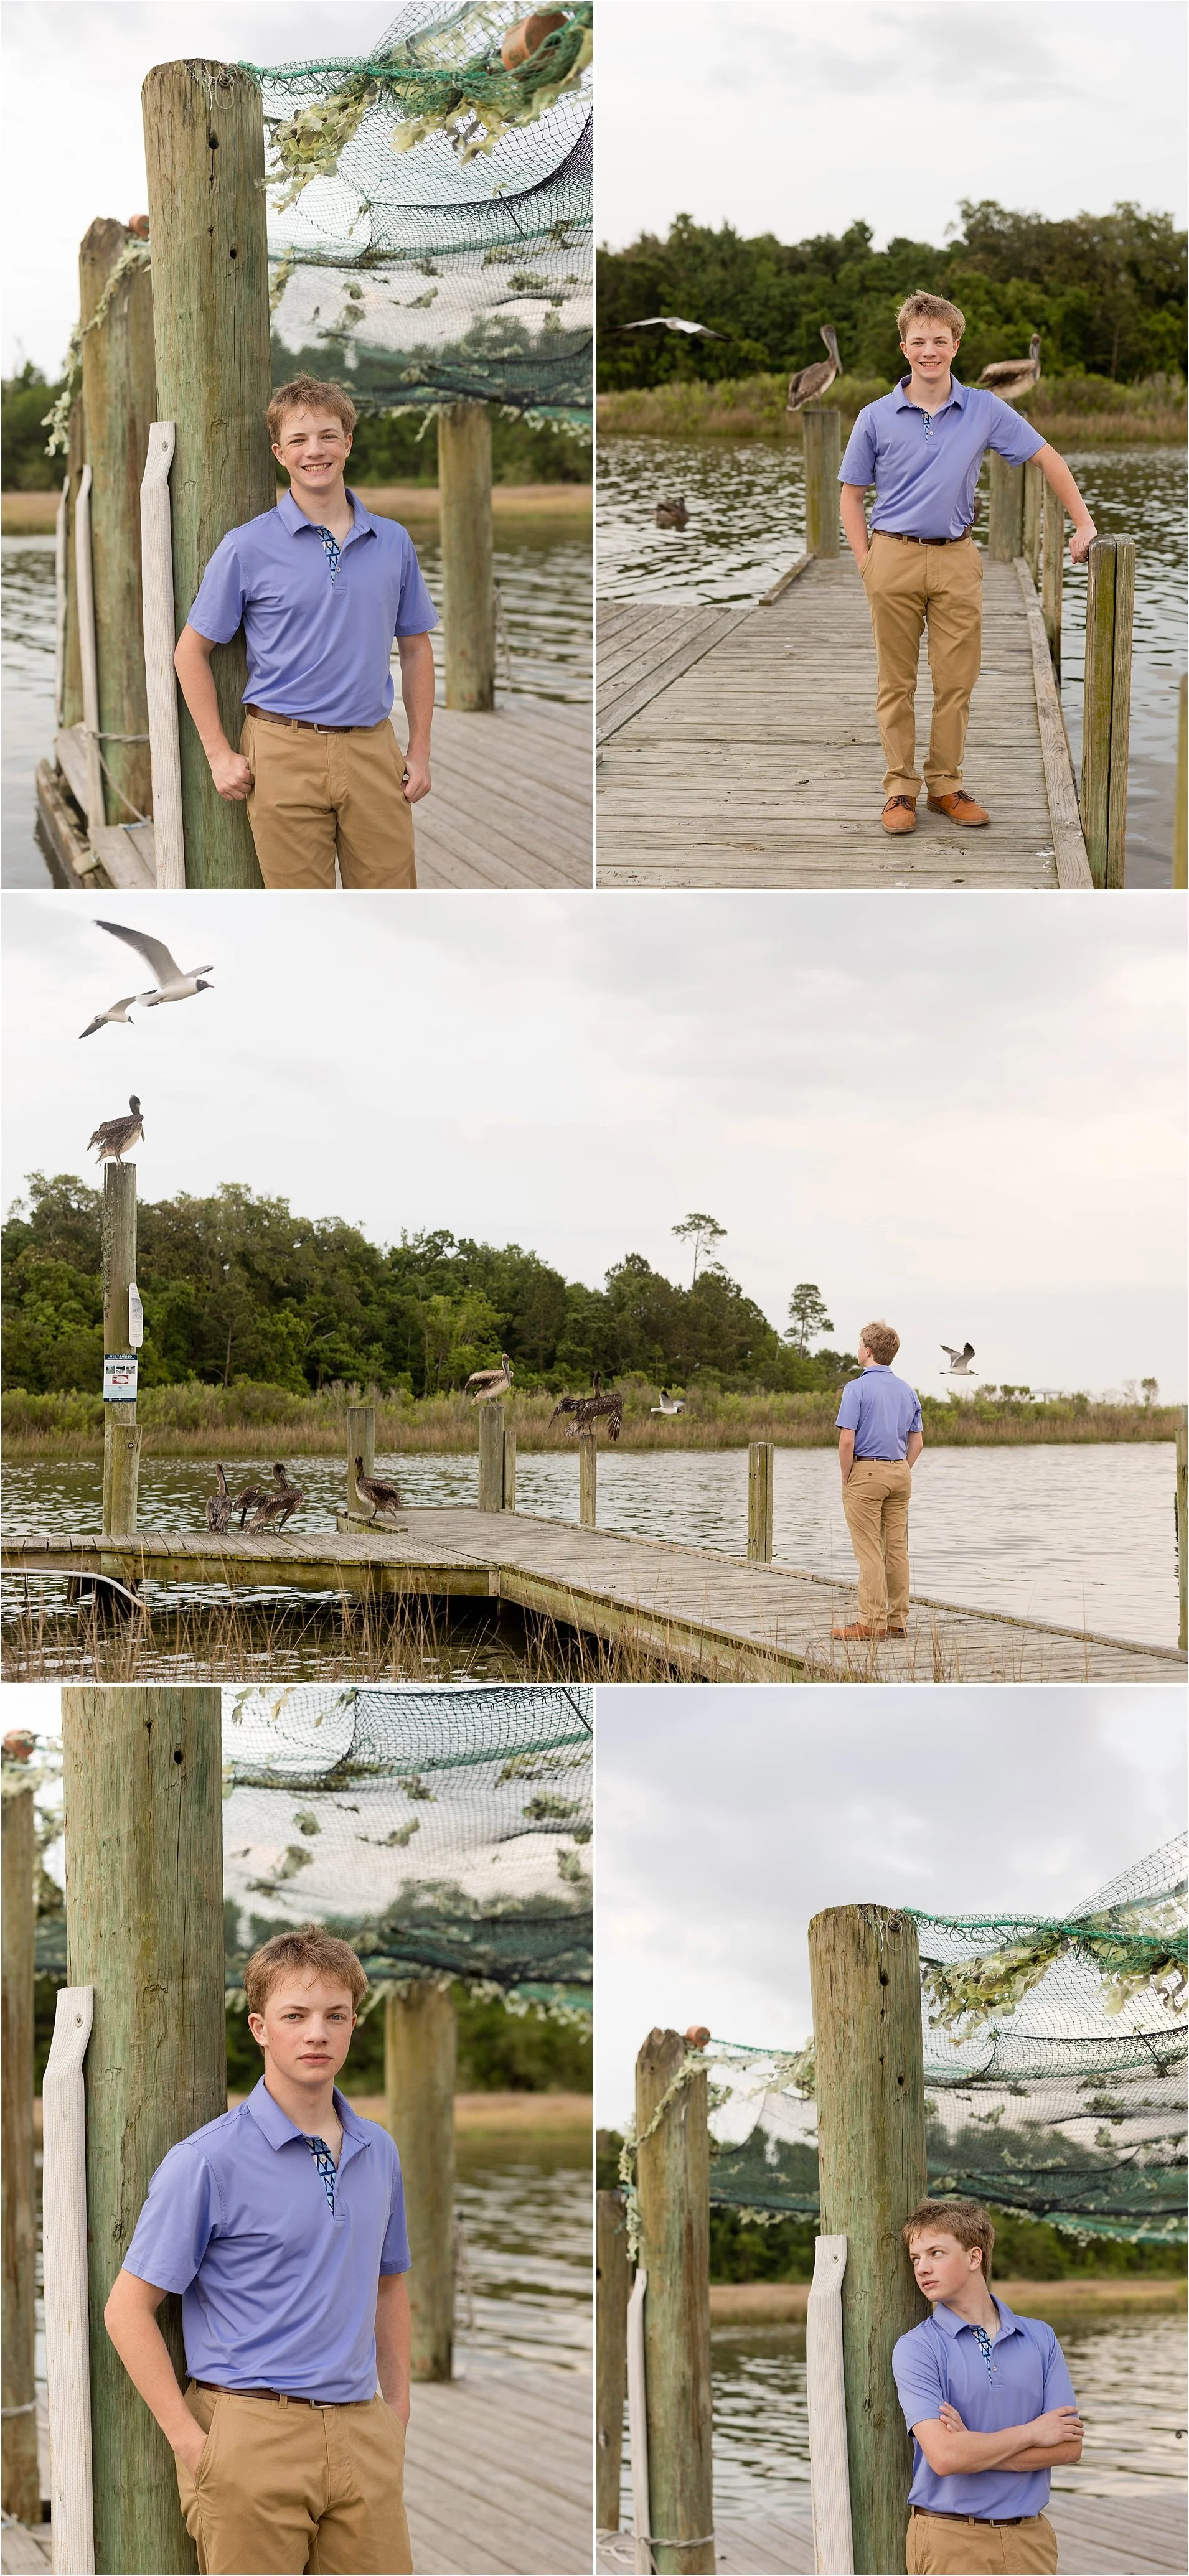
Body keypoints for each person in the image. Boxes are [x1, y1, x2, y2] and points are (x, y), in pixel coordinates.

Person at [104, 1928, 413, 2576]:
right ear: (259, 2026)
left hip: (362, 2430)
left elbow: (389, 2284)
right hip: (249, 2432)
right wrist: (194, 2444)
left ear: (354, 2022)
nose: (316, 2033)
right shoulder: (207, 2160)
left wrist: (397, 2409)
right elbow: (127, 2309)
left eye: (334, 2015)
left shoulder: (378, 2150)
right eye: (294, 2016)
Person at [838, 294, 1098, 835]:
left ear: (955, 346)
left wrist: (1084, 523)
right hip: (892, 556)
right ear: (904, 347)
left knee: (956, 681)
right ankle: (899, 791)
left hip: (957, 559)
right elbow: (851, 495)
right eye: (919, 341)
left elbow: (1047, 457)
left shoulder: (984, 408)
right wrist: (867, 562)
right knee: (896, 683)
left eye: (940, 341)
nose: (929, 351)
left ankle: (946, 786)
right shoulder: (875, 417)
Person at [174, 376, 437, 890]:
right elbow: (190, 653)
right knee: (302, 920)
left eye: (328, 436)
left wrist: (421, 750)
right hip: (279, 753)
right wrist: (218, 753)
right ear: (279, 453)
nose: (315, 451)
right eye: (298, 440)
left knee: (394, 913)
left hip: (372, 751)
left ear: (348, 443)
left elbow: (415, 649)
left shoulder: (393, 541)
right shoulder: (244, 547)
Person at [894, 2199, 1083, 2575]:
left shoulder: (1041, 2337)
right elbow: (946, 2458)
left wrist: (974, 2449)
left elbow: (1068, 2446)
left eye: (936, 2253)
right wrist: (1032, 2433)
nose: (923, 2268)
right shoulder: (916, 2347)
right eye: (916, 2258)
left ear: (974, 2257)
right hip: (949, 2539)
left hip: (1031, 2539)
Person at [832, 1319, 923, 1639]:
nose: (858, 1350)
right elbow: (917, 1443)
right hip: (900, 1472)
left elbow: (847, 1441)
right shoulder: (907, 1390)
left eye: (860, 1345)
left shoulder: (856, 1389)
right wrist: (902, 1469)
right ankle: (897, 1621)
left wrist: (847, 1477)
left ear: (868, 1351)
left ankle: (871, 1623)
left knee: (869, 1549)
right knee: (896, 1549)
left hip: (866, 1473)